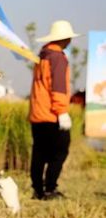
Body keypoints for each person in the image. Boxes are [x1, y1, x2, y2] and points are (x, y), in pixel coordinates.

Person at [29, 20, 81, 200]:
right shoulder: (58, 58)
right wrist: (62, 111)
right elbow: (58, 87)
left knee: (39, 152)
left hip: (37, 114)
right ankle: (50, 188)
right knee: (60, 151)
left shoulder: (42, 56)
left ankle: (38, 189)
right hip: (51, 115)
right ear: (65, 39)